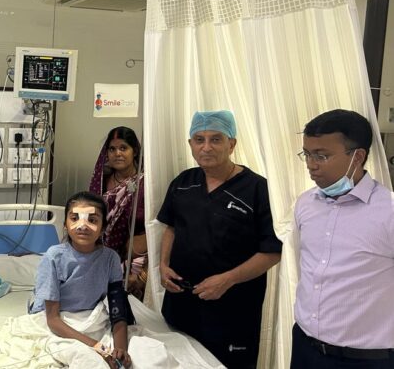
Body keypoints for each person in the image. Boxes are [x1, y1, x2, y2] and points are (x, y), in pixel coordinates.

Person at [158, 110, 281, 369]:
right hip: (181, 304)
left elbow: (272, 251)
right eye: (199, 139)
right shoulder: (183, 182)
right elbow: (171, 227)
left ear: (231, 144)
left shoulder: (257, 189)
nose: (206, 147)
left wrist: (228, 279)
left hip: (232, 311)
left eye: (216, 139)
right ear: (190, 144)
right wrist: (163, 265)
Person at [290, 109, 394, 369]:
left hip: (365, 359)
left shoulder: (388, 211)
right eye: (307, 154)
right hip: (305, 347)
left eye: (321, 156)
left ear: (357, 157)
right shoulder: (306, 204)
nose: (311, 164)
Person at [29, 191, 134, 369]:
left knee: (146, 352)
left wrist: (121, 350)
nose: (83, 226)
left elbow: (118, 310)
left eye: (92, 220)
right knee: (86, 360)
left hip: (90, 316)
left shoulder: (110, 259)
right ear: (65, 224)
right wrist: (98, 347)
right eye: (75, 218)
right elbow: (52, 319)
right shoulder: (54, 257)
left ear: (103, 227)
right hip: (56, 319)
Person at [89, 126, 147, 300]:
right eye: (112, 149)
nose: (117, 154)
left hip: (136, 263)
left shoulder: (146, 183)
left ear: (134, 151)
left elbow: (156, 227)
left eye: (123, 148)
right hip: (101, 256)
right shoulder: (100, 181)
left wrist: (142, 274)